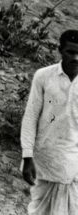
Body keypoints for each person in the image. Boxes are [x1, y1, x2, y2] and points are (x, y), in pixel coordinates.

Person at [20, 30, 78, 215]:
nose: (76, 58)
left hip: (74, 163)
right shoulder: (44, 76)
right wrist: (27, 156)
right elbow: (31, 116)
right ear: (60, 50)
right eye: (70, 52)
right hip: (45, 160)